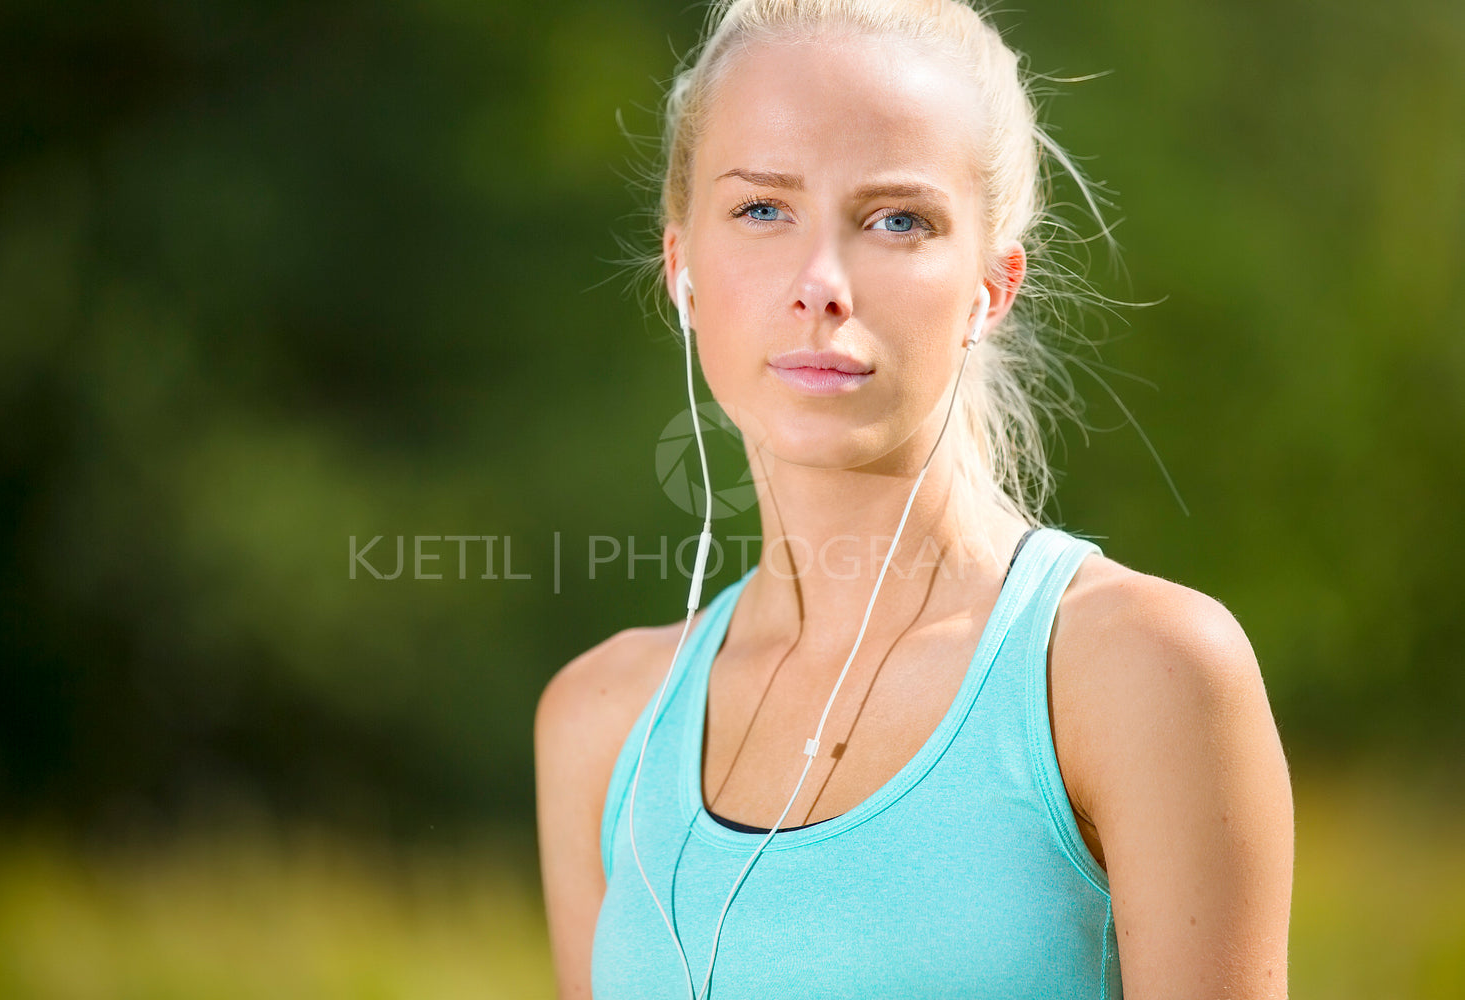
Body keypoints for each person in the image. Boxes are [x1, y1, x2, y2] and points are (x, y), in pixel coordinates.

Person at [536, 1, 1294, 996]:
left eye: (897, 219)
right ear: (681, 264)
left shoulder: (1137, 672)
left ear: (990, 286)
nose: (821, 283)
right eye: (762, 208)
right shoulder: (599, 722)